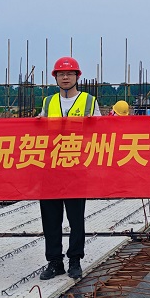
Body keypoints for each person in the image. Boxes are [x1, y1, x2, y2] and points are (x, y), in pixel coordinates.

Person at [36, 56, 100, 280]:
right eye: (61, 74)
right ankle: (55, 261)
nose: (65, 77)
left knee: (76, 218)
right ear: (55, 78)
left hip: (76, 168)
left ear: (77, 77)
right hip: (51, 168)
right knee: (50, 218)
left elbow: (102, 133)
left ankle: (75, 260)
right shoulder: (48, 102)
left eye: (69, 74)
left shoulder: (89, 102)